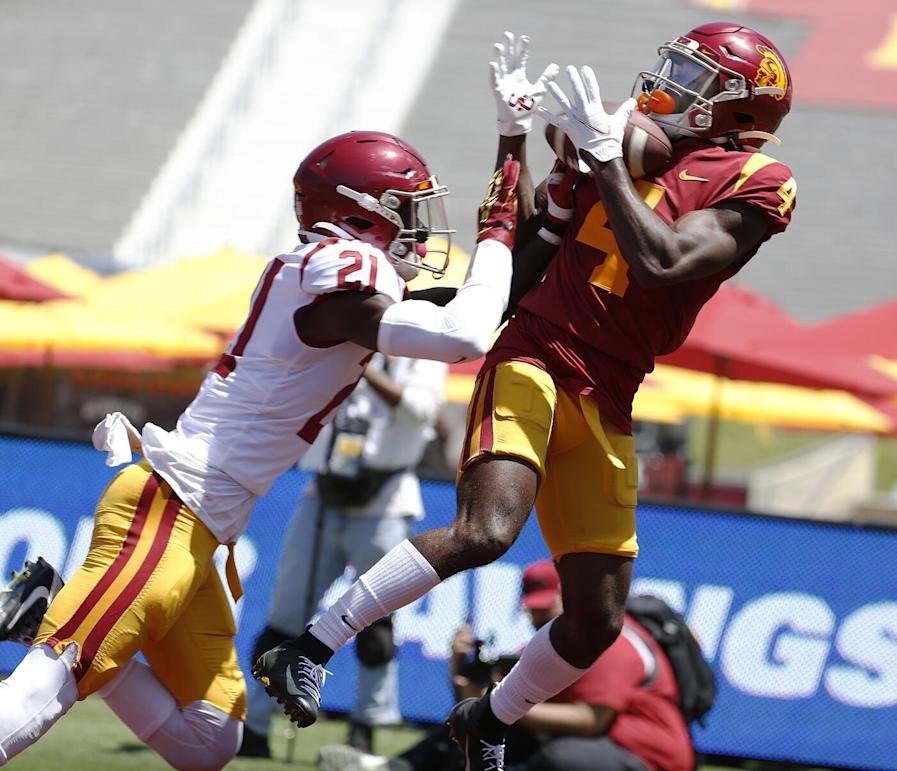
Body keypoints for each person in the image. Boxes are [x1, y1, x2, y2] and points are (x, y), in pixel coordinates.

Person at [257, 23, 797, 771]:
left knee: (597, 620)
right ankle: (310, 646)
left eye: (696, 78)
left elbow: (663, 258)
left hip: (610, 392)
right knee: (487, 531)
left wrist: (603, 156)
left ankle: (491, 718)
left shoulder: (757, 183)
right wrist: (526, 143)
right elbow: (524, 257)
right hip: (536, 355)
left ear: (737, 109)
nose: (669, 84)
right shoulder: (626, 145)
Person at [0, 131, 522, 769]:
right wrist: (498, 226)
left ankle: (44, 609)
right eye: (404, 212)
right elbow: (465, 331)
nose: (418, 233)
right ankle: (53, 625)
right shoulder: (334, 272)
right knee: (51, 681)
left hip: (205, 524)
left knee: (210, 739)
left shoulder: (331, 281)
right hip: (170, 508)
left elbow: (468, 313)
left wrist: (519, 164)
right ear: (358, 214)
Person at [240, 353, 446, 757]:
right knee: (283, 621)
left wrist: (365, 367)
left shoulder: (424, 351)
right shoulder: (343, 341)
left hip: (385, 499)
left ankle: (365, 724)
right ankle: (257, 726)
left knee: (377, 626)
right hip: (324, 493)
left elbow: (420, 412)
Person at [315, 560, 695, 771]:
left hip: (646, 758)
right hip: (595, 745)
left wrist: (501, 709)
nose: (537, 618)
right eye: (533, 611)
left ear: (572, 595)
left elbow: (593, 720)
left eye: (547, 608)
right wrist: (460, 670)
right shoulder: (550, 639)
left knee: (556, 761)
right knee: (474, 728)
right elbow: (483, 706)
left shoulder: (610, 638)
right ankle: (393, 768)